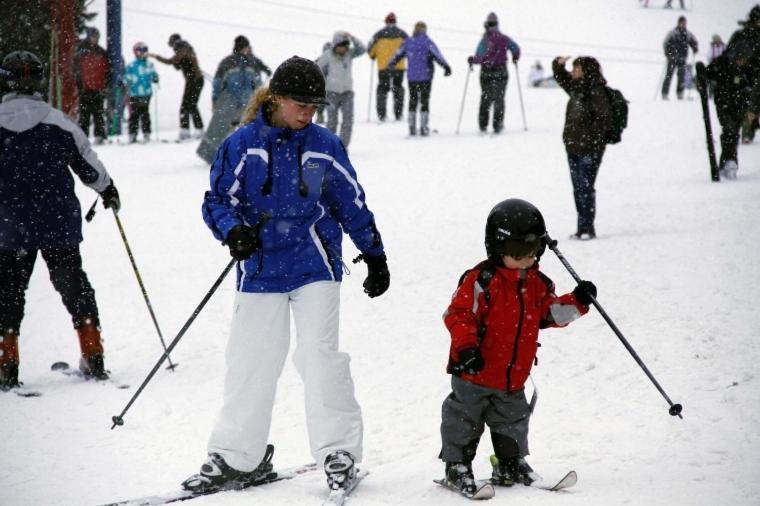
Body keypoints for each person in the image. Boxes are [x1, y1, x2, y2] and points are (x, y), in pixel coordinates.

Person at [185, 56, 390, 496]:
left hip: (314, 264)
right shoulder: (242, 145)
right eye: (301, 104)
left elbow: (349, 201)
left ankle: (338, 453)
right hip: (260, 268)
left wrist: (373, 253)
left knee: (319, 357)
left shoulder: (323, 145)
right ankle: (239, 457)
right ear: (276, 98)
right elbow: (217, 200)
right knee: (251, 361)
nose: (308, 114)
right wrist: (233, 230)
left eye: (314, 107)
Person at [438, 198, 596, 495]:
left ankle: (510, 462)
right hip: (474, 371)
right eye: (517, 255)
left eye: (531, 254)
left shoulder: (538, 283)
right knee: (463, 419)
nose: (525, 261)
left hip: (512, 377)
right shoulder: (482, 280)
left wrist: (578, 301)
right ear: (497, 250)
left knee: (513, 421)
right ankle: (456, 464)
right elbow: (459, 316)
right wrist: (467, 348)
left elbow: (549, 315)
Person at [0, 51, 121, 390]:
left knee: (8, 291)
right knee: (72, 283)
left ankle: (6, 361)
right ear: (39, 80)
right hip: (57, 220)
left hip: (9, 223)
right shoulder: (58, 122)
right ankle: (92, 349)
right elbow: (89, 166)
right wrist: (108, 189)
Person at [553, 56, 613, 240]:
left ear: (586, 70)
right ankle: (583, 227)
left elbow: (604, 120)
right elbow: (562, 78)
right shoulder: (577, 89)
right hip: (573, 147)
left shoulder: (596, 92)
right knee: (579, 188)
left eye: (576, 68)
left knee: (585, 188)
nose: (573, 72)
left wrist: (591, 141)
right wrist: (558, 65)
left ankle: (586, 228)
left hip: (588, 149)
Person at [699, 6, 760, 178]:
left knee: (732, 129)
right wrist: (705, 74)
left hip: (742, 91)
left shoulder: (750, 42)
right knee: (729, 128)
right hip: (727, 90)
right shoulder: (741, 37)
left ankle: (728, 162)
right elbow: (723, 60)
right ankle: (729, 162)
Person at [197, 35, 272, 163]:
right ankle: (253, 154)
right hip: (248, 100)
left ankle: (212, 154)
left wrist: (215, 100)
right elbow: (257, 83)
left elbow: (217, 83)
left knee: (221, 127)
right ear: (246, 47)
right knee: (249, 127)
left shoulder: (227, 62)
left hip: (228, 100)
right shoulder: (252, 61)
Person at [387, 21, 452, 136]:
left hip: (412, 77)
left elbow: (398, 54)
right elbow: (438, 56)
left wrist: (391, 64)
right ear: (425, 30)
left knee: (413, 101)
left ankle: (411, 127)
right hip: (426, 77)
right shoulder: (428, 42)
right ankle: (423, 127)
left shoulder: (408, 42)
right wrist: (446, 67)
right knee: (424, 101)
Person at [467, 12, 521, 134]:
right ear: (497, 24)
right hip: (501, 71)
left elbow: (479, 56)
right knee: (499, 99)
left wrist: (472, 60)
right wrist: (515, 57)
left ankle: (483, 124)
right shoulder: (504, 39)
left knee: (485, 98)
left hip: (486, 72)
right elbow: (516, 49)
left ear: (486, 24)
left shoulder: (485, 40)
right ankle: (498, 124)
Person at [316, 31, 366, 148]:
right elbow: (317, 68)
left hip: (347, 93)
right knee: (332, 122)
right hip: (331, 93)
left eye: (346, 46)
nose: (344, 48)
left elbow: (362, 49)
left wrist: (352, 37)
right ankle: (330, 147)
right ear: (335, 45)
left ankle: (342, 147)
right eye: (342, 46)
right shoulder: (328, 55)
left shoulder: (349, 54)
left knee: (347, 122)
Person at [150, 33, 204, 140]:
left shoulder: (182, 49)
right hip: (195, 80)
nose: (172, 48)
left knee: (188, 106)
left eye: (172, 45)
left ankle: (188, 131)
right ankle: (195, 129)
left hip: (194, 80)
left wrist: (156, 56)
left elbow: (171, 61)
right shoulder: (186, 48)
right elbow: (178, 65)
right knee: (190, 105)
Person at [368, 12, 408, 122]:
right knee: (398, 89)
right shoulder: (403, 35)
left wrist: (374, 55)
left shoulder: (378, 35)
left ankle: (382, 115)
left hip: (383, 68)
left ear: (386, 22)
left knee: (382, 90)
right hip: (399, 67)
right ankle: (398, 114)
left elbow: (371, 53)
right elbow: (409, 50)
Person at [74, 27, 111, 144]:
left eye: (96, 37)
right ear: (88, 37)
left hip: (98, 88)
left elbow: (108, 70)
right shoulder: (81, 51)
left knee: (98, 113)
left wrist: (106, 85)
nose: (95, 39)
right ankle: (83, 137)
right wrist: (80, 85)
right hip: (85, 89)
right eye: (93, 36)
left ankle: (99, 136)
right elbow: (76, 70)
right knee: (84, 115)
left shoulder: (102, 52)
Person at [124, 42, 159, 143]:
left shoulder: (149, 64)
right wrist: (122, 81)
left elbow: (153, 74)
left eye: (145, 51)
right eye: (140, 51)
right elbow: (128, 77)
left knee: (145, 114)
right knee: (134, 114)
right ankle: (132, 134)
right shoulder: (132, 65)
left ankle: (146, 133)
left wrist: (155, 78)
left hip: (146, 93)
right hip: (134, 93)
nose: (143, 53)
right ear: (135, 52)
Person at [661, 16, 698, 100]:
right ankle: (664, 93)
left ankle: (680, 93)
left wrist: (694, 47)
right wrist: (667, 52)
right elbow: (665, 43)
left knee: (681, 76)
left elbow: (693, 41)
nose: (683, 25)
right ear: (678, 23)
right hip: (672, 58)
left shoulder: (687, 34)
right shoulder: (673, 33)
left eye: (685, 23)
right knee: (669, 76)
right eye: (682, 23)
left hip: (682, 58)